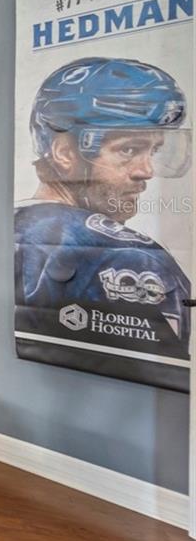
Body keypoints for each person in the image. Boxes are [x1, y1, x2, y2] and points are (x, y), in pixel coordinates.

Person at [15, 56, 191, 355]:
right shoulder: (132, 257)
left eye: (154, 150)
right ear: (65, 153)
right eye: (129, 149)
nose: (146, 170)